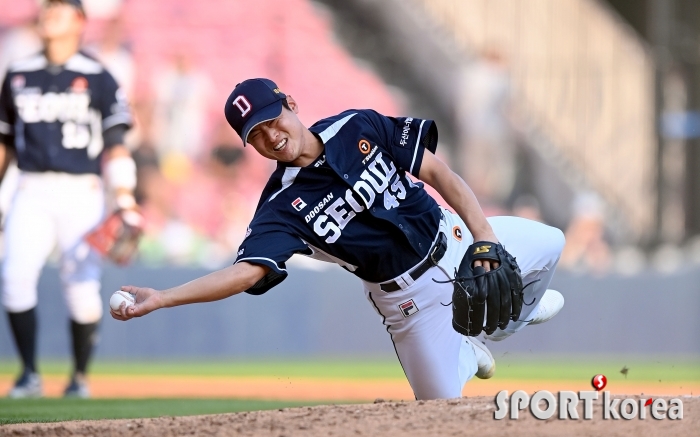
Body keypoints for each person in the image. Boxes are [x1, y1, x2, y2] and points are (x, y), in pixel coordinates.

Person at [112, 78, 565, 400]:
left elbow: (435, 171)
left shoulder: (357, 125)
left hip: (457, 239)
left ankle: (509, 323)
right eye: (257, 135)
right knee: (439, 410)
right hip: (410, 300)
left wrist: (484, 237)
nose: (272, 135)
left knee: (550, 244)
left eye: (273, 119)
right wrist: (164, 298)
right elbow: (247, 272)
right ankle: (465, 352)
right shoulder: (280, 206)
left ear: (289, 103)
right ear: (250, 146)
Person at [0, 0, 135, 398]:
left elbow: (116, 144)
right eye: (45, 10)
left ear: (79, 21)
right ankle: (28, 373)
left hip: (81, 190)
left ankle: (79, 377)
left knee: (80, 286)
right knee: (13, 278)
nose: (46, 15)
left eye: (57, 10)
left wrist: (124, 196)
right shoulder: (18, 72)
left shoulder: (98, 76)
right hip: (30, 186)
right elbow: (5, 143)